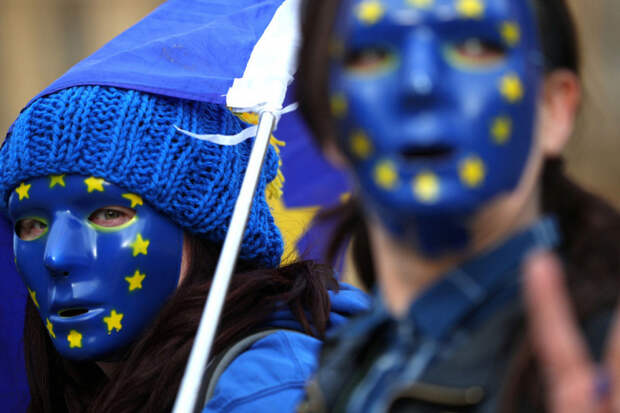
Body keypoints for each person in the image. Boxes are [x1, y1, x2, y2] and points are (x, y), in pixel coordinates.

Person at [296, 0, 620, 411]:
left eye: (474, 46)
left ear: (553, 108)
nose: (420, 83)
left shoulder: (604, 361)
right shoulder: (345, 368)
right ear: (327, 121)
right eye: (372, 53)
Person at [0, 84, 369, 412]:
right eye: (31, 225)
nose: (56, 256)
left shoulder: (272, 391)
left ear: (205, 232)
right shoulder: (77, 390)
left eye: (109, 214)